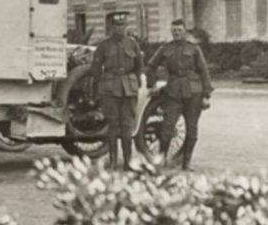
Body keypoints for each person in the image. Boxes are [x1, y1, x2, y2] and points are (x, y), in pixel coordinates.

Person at [145, 18, 213, 170]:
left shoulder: (194, 48)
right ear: (171, 32)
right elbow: (151, 66)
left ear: (184, 31)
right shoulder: (165, 48)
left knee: (192, 131)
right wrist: (152, 85)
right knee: (167, 129)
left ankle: (186, 163)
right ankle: (161, 161)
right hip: (173, 93)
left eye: (179, 30)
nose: (176, 33)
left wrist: (206, 95)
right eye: (174, 30)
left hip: (194, 92)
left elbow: (203, 71)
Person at [89, 11, 144, 168]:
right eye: (118, 25)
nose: (121, 28)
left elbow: (139, 66)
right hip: (110, 88)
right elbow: (96, 67)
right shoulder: (104, 45)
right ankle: (113, 161)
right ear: (112, 27)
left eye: (123, 25)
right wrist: (98, 86)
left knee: (127, 126)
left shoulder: (132, 44)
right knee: (112, 125)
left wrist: (134, 81)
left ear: (127, 26)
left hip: (128, 89)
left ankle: (128, 162)